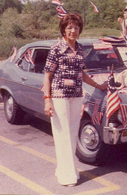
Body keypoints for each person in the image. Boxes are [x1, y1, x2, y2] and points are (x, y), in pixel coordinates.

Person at [43, 13, 107, 187]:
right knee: (62, 135)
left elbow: (82, 74)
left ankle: (65, 169)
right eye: (70, 27)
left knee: (72, 134)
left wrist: (99, 86)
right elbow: (47, 76)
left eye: (76, 27)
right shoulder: (56, 49)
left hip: (76, 96)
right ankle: (67, 175)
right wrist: (47, 100)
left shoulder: (79, 49)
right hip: (59, 97)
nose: (73, 30)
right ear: (63, 30)